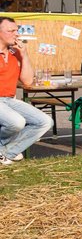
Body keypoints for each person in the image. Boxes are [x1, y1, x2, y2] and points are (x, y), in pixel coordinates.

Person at [0, 16, 52, 164]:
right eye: (11, 31)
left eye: (17, 30)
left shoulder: (14, 53)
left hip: (9, 99)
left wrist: (24, 55)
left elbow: (28, 81)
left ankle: (6, 152)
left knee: (45, 121)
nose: (16, 34)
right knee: (16, 122)